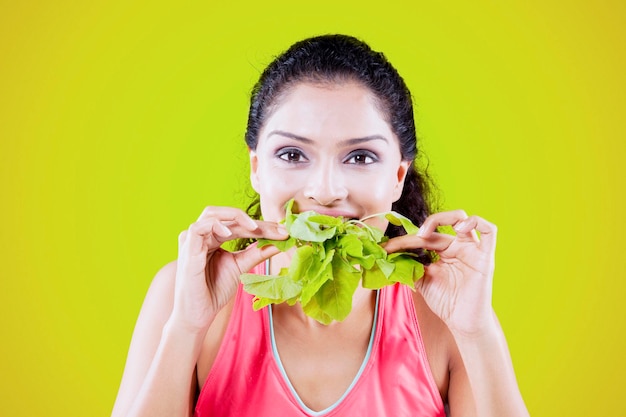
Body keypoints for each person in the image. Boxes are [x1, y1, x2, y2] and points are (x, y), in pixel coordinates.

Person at [111, 34, 529, 417]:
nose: (326, 191)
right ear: (257, 168)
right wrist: (186, 327)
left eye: (361, 157)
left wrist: (477, 332)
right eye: (292, 154)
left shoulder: (442, 318)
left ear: (398, 177)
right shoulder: (185, 292)